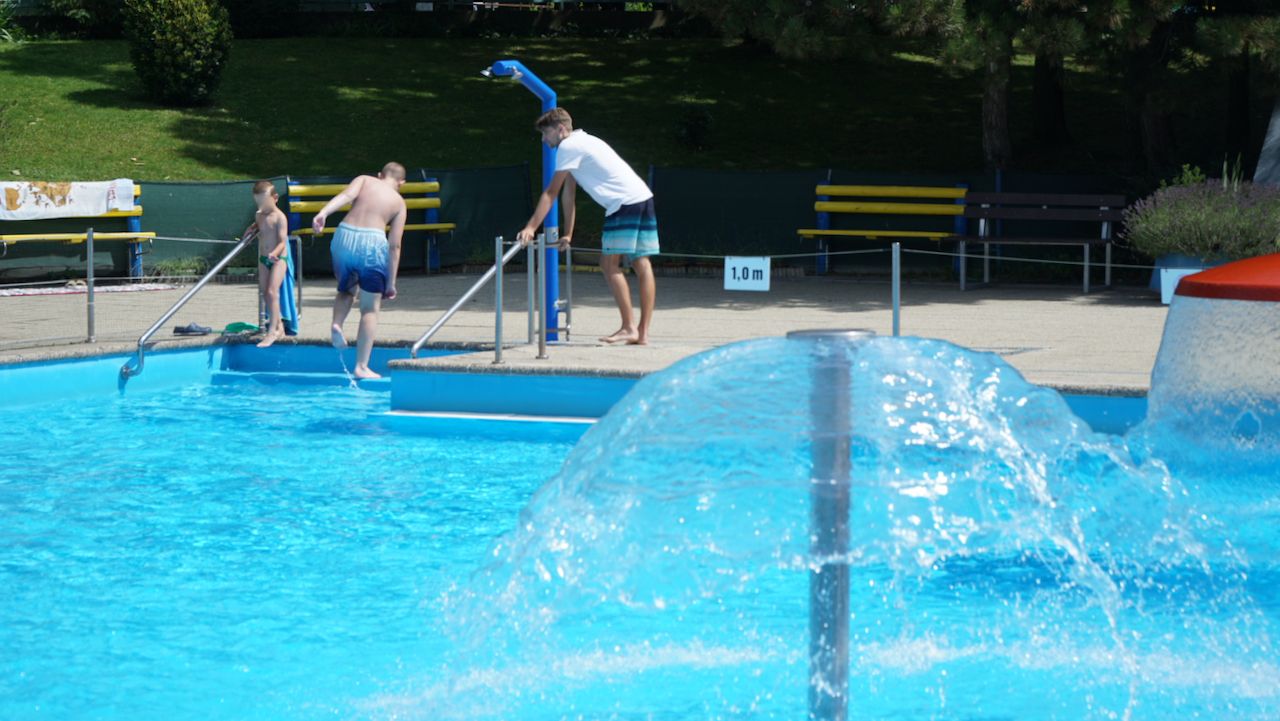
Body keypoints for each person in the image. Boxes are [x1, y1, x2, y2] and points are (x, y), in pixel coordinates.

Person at [516, 108, 658, 345]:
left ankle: (628, 327)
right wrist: (569, 233)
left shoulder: (568, 147)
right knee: (642, 263)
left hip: (623, 204)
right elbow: (568, 196)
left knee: (608, 264)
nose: (544, 140)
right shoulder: (585, 141)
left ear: (561, 130)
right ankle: (642, 333)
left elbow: (551, 193)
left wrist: (531, 227)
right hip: (642, 197)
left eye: (546, 134)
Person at [311, 162, 407, 379]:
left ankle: (337, 324)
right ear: (401, 182)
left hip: (343, 235)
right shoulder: (399, 203)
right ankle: (361, 366)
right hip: (372, 242)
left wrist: (323, 213)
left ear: (380, 175)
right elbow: (395, 245)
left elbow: (345, 196)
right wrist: (391, 282)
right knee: (370, 309)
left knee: (346, 290)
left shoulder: (364, 179)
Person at [242, 180, 297, 348]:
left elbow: (282, 241)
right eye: (258, 202)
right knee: (265, 293)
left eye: (264, 202)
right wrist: (250, 229)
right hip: (264, 259)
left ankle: (272, 331)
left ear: (275, 198)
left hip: (279, 258)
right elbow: (259, 226)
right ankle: (279, 326)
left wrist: (275, 253)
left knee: (273, 292)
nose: (261, 206)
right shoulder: (259, 215)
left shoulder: (280, 217)